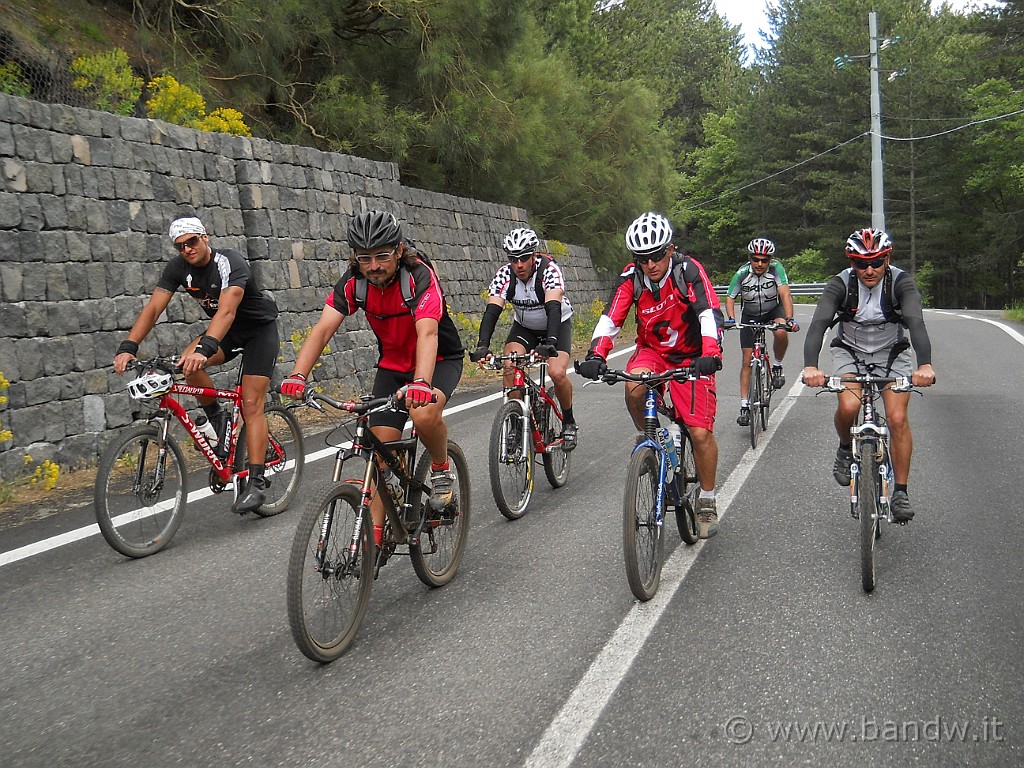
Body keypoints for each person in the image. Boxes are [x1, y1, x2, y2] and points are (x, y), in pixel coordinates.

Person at [280, 210, 465, 546]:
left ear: (398, 250)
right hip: (394, 367)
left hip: (438, 360)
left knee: (423, 414)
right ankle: (374, 543)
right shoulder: (355, 284)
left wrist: (422, 383)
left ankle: (439, 471)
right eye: (365, 258)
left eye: (382, 256)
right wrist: (298, 374)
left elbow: (427, 333)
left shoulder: (418, 276)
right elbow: (322, 330)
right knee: (378, 451)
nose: (374, 266)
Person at [113, 215, 280, 513]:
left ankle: (256, 483)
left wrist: (204, 348)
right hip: (224, 334)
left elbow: (227, 312)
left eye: (191, 241)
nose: (187, 249)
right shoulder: (179, 268)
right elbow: (153, 309)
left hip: (257, 332)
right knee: (188, 365)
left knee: (251, 405)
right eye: (180, 246)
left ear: (205, 238)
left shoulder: (229, 262)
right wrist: (128, 346)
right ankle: (217, 420)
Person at [576, 212, 725, 539]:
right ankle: (653, 439)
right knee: (633, 387)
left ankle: (708, 499)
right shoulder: (631, 278)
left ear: (670, 249)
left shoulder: (688, 271)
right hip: (653, 352)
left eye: (657, 255)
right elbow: (611, 320)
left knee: (699, 433)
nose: (652, 264)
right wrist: (595, 355)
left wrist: (710, 354)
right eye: (643, 259)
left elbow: (708, 314)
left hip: (693, 355)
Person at [801, 227, 936, 524]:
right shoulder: (840, 284)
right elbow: (819, 324)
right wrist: (811, 365)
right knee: (849, 406)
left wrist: (924, 365)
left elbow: (915, 322)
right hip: (849, 351)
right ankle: (844, 447)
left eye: (876, 261)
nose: (869, 269)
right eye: (861, 263)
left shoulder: (901, 283)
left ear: (887, 259)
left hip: (891, 353)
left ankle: (900, 491)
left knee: (897, 418)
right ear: (852, 263)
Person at [469, 227, 577, 449]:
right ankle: (516, 423)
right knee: (510, 365)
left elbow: (554, 308)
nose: (519, 264)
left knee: (557, 372)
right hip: (525, 327)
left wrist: (551, 343)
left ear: (534, 255)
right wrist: (483, 346)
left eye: (524, 258)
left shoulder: (549, 271)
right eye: (513, 259)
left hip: (555, 324)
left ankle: (568, 421)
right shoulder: (504, 276)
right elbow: (492, 312)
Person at [724, 238, 799, 426]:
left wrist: (789, 319)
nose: (759, 264)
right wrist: (732, 319)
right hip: (750, 314)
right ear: (750, 258)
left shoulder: (776, 270)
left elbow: (785, 294)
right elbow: (730, 298)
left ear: (770, 260)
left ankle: (777, 365)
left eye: (764, 260)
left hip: (773, 310)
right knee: (747, 361)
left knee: (781, 332)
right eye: (755, 259)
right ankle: (744, 405)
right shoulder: (741, 274)